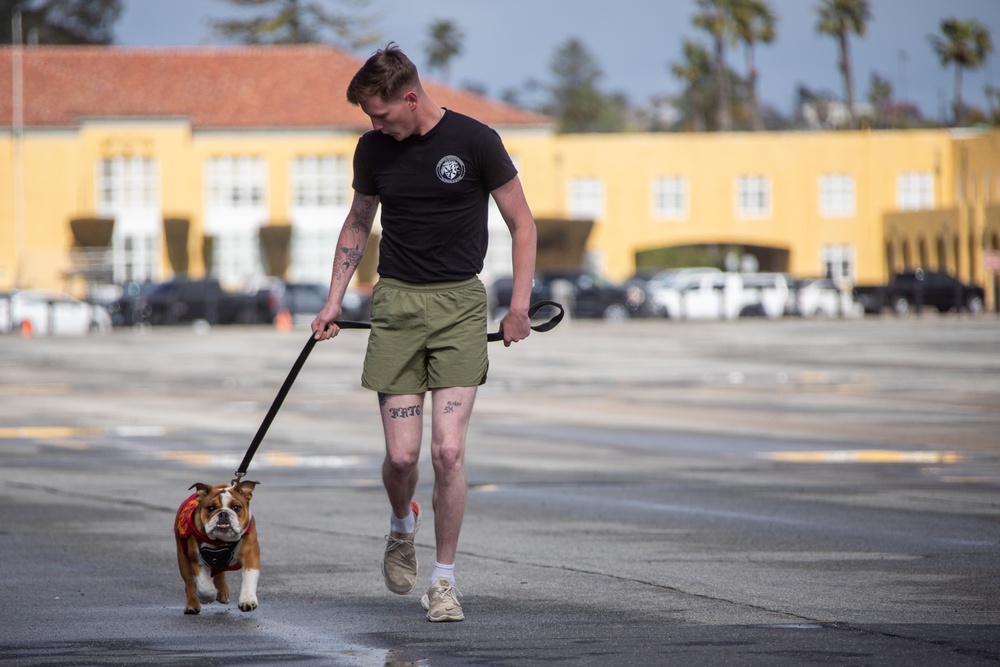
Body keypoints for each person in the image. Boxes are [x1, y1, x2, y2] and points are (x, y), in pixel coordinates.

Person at [311, 43, 537, 623]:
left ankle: (444, 581)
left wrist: (517, 308)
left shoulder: (476, 141)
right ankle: (400, 523)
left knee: (449, 450)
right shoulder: (373, 150)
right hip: (396, 306)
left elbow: (522, 223)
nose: (374, 124)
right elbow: (358, 221)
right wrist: (334, 301)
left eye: (381, 113)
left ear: (410, 98)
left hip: (461, 303)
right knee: (401, 455)